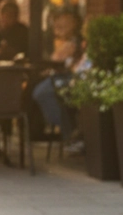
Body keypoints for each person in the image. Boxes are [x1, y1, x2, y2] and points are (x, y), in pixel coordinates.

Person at [32, 8, 86, 147]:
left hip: (73, 78)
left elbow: (56, 58)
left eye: (62, 23)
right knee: (40, 91)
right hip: (65, 77)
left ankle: (71, 131)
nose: (57, 26)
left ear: (73, 23)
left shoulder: (75, 41)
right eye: (56, 23)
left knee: (41, 92)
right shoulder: (61, 41)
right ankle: (68, 131)